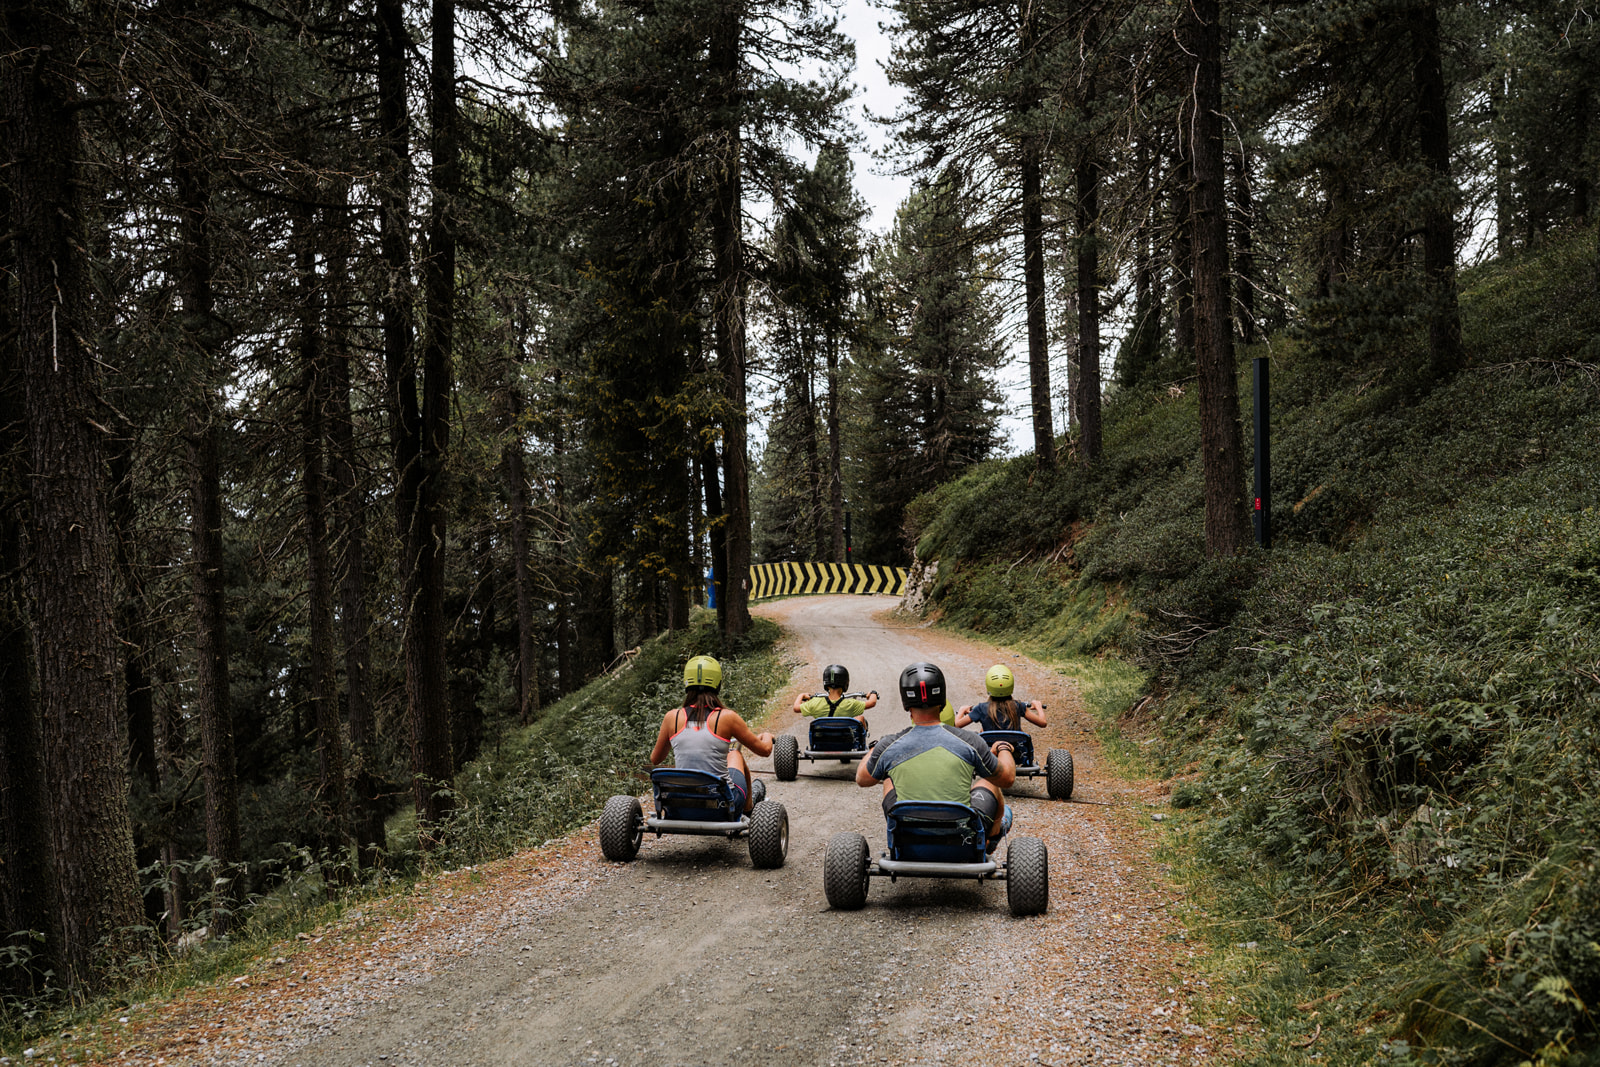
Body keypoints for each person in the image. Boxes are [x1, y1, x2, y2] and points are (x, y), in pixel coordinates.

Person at [855, 662, 1016, 849]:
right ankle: (991, 839)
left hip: (909, 837)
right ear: (942, 700)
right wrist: (1004, 748)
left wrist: (876, 749)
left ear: (906, 704)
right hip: (961, 838)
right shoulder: (971, 742)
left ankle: (902, 832)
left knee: (889, 779)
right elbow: (1008, 778)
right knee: (989, 782)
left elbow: (862, 779)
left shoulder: (889, 745)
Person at [649, 655, 774, 813]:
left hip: (681, 804)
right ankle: (748, 809)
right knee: (735, 754)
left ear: (687, 683)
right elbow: (765, 751)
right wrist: (767, 736)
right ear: (718, 684)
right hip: (722, 806)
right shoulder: (727, 717)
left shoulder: (671, 718)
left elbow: (655, 759)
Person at [954, 663, 1048, 733]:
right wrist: (1038, 706)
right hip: (1015, 749)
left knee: (981, 733)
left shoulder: (981, 709)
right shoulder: (1018, 706)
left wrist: (962, 710)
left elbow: (957, 725)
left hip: (989, 751)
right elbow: (1042, 723)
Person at [791, 663, 878, 725]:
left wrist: (801, 695)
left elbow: (796, 708)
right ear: (845, 683)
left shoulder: (815, 703)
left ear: (826, 684)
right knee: (860, 718)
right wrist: (873, 693)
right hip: (845, 741)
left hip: (821, 742)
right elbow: (872, 703)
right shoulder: (851, 704)